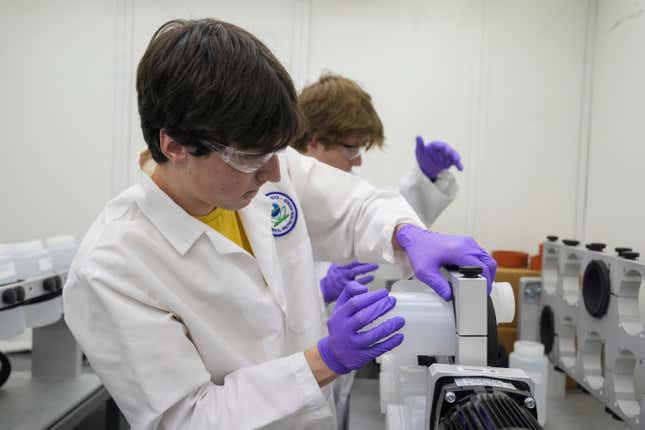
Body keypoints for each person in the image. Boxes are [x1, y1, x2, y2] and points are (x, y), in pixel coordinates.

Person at [63, 18, 496, 429]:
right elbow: (188, 418)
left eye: (277, 153)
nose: (274, 174)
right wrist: (326, 359)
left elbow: (354, 207)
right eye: (252, 158)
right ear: (175, 146)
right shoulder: (112, 267)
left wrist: (409, 233)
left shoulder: (261, 172)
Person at [294, 73, 466, 427]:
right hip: (292, 375)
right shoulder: (270, 195)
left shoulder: (343, 190)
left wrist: (425, 178)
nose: (358, 161)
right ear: (313, 142)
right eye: (351, 148)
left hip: (336, 372)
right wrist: (318, 289)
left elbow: (381, 216)